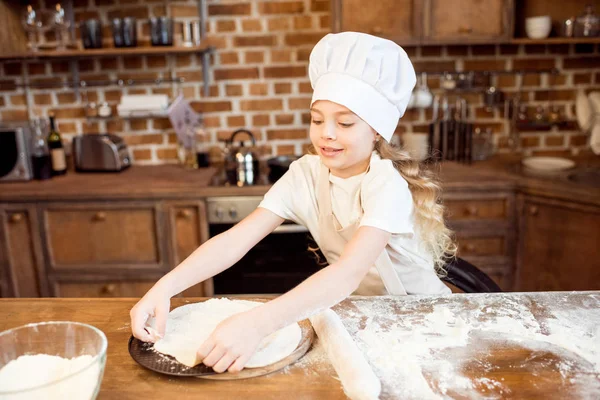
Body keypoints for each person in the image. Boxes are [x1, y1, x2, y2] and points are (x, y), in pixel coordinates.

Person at [130, 31, 456, 374]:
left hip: (421, 319)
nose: (326, 133)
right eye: (317, 119)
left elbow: (346, 273)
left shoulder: (384, 183)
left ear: (376, 130)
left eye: (344, 122)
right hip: (361, 315)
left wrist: (257, 323)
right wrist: (165, 287)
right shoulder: (306, 174)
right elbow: (234, 241)